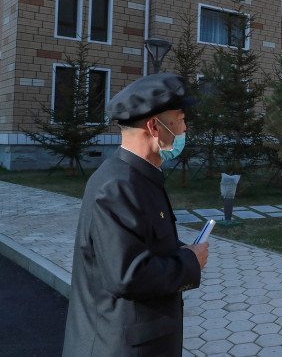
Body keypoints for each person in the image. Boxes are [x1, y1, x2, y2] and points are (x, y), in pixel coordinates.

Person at [63, 73, 209, 356]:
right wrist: (189, 262)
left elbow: (144, 244)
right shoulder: (118, 186)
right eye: (180, 119)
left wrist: (181, 250)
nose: (184, 128)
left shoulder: (141, 177)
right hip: (120, 347)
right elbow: (127, 274)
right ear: (154, 127)